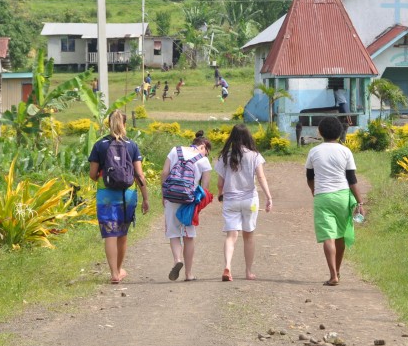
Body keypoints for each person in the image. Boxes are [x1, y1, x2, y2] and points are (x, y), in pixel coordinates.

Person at [88, 110, 149, 284]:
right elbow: (139, 176)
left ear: (108, 124)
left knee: (110, 234)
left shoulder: (100, 145)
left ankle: (114, 273)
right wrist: (145, 199)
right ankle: (120, 268)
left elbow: (92, 174)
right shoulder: (132, 145)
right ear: (125, 124)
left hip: (106, 196)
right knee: (122, 234)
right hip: (127, 196)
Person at [305, 116, 364, 286]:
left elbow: (310, 177)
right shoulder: (345, 151)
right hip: (342, 196)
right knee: (340, 236)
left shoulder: (314, 151)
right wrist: (359, 202)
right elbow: (352, 179)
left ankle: (333, 275)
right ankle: (337, 270)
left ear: (320, 132)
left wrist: (314, 191)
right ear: (339, 133)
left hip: (323, 197)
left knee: (328, 237)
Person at [215, 124, 273, 281]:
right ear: (248, 137)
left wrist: (221, 194)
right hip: (250, 201)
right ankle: (248, 271)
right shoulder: (254, 156)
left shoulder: (224, 156)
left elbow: (220, 183)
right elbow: (261, 177)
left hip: (230, 200)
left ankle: (227, 266)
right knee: (249, 236)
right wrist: (268, 197)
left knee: (231, 236)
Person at [161, 136, 213, 281]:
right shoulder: (203, 160)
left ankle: (177, 260)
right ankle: (189, 274)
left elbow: (164, 173)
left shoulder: (174, 150)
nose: (206, 154)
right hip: (189, 200)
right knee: (188, 236)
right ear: (203, 146)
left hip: (171, 197)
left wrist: (163, 194)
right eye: (207, 151)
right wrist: (199, 204)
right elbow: (206, 187)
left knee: (173, 233)